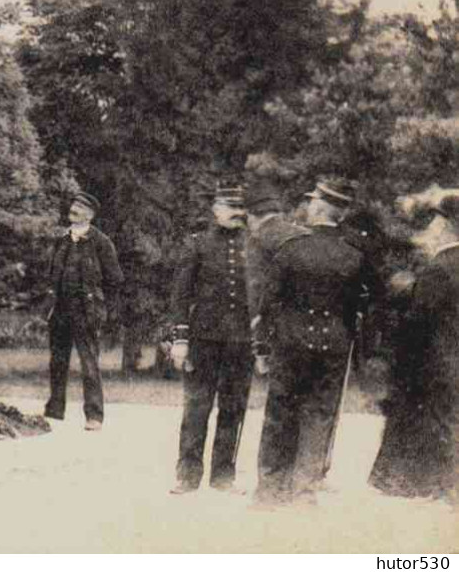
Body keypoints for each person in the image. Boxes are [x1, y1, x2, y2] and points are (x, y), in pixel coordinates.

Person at [251, 178, 377, 507]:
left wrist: (263, 347)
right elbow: (362, 305)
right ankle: (304, 491)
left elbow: (268, 302)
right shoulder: (354, 255)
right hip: (333, 346)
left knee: (280, 413)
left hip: (291, 344)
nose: (307, 207)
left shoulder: (292, 248)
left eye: (311, 202)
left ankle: (269, 491)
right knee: (319, 415)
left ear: (319, 207)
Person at [369, 186, 459, 503]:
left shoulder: (439, 268)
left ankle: (444, 488)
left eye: (437, 220)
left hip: (438, 361)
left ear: (446, 224)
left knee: (439, 424)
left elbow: (418, 323)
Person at [168, 184, 255, 495]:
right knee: (196, 408)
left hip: (241, 342)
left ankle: (223, 476)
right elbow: (180, 295)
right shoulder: (198, 244)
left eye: (236, 207)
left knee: (234, 408)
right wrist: (180, 338)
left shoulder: (253, 245)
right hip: (203, 339)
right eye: (225, 206)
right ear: (215, 209)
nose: (231, 212)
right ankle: (187, 475)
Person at [43, 190, 123, 431]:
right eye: (73, 206)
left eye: (79, 208)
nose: (73, 210)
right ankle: (54, 411)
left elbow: (115, 279)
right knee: (57, 361)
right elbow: (50, 275)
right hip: (60, 311)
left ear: (89, 214)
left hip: (86, 312)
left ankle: (94, 415)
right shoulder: (61, 240)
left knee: (89, 363)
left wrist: (102, 309)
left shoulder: (101, 242)